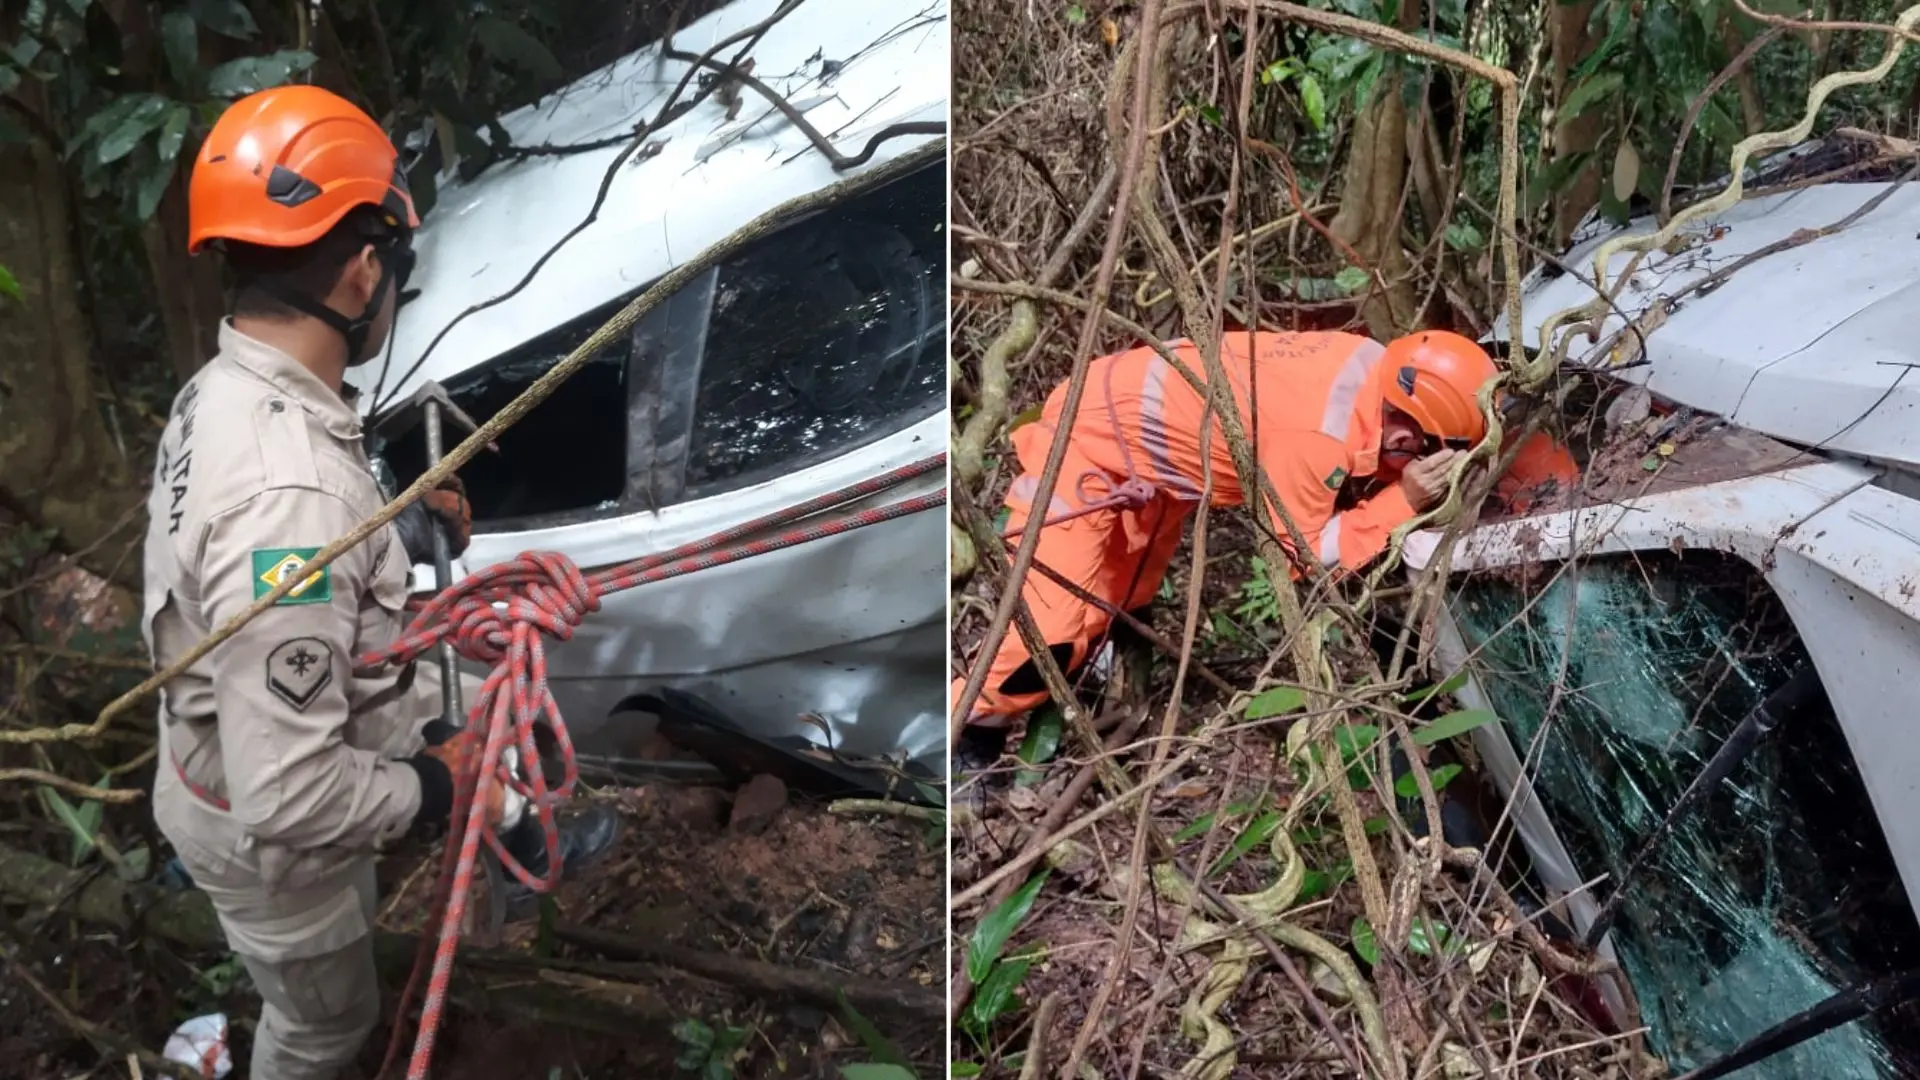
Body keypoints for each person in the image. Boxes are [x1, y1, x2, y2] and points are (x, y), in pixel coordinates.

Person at [143, 84, 614, 1080]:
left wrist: (384, 527)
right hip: (266, 824)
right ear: (364, 271)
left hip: (267, 725)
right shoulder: (288, 500)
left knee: (485, 704)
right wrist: (441, 785)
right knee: (327, 1027)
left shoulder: (224, 387)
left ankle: (516, 839)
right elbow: (289, 794)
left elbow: (259, 561)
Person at [952, 327, 1518, 731]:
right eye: (1433, 454)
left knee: (1117, 601)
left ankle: (1074, 685)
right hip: (1088, 444)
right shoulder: (1317, 439)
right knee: (1049, 633)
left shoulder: (1373, 364)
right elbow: (1304, 554)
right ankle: (965, 727)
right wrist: (1403, 500)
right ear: (1406, 434)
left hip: (1149, 450)